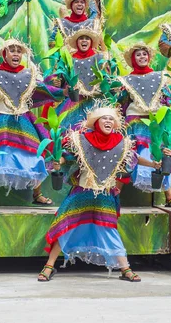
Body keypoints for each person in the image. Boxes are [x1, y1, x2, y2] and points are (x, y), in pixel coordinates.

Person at [38, 106, 148, 283]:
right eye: (104, 118)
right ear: (96, 122)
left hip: (105, 194)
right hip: (82, 192)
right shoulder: (81, 140)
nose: (108, 121)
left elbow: (134, 158)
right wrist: (59, 161)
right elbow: (68, 156)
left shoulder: (122, 142)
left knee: (110, 230)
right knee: (65, 225)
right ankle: (49, 265)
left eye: (111, 119)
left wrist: (155, 165)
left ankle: (125, 269)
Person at [0, 39, 65, 211]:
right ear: (5, 54)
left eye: (19, 50)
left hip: (23, 123)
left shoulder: (29, 74)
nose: (16, 53)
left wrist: (64, 92)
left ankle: (37, 194)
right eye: (12, 50)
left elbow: (43, 90)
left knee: (35, 156)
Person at [117, 43, 171, 207]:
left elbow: (167, 100)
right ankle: (114, 195)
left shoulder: (161, 77)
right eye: (138, 55)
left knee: (161, 155)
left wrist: (169, 121)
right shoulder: (126, 81)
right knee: (129, 156)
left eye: (144, 54)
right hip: (135, 124)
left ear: (149, 57)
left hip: (155, 124)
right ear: (133, 59)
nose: (142, 57)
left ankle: (169, 197)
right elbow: (122, 104)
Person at [55, 28, 110, 131]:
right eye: (81, 38)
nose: (84, 41)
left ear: (91, 42)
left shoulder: (100, 57)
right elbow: (61, 82)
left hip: (97, 101)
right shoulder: (69, 60)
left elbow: (108, 79)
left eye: (87, 39)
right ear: (76, 42)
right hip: (75, 103)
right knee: (72, 131)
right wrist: (58, 83)